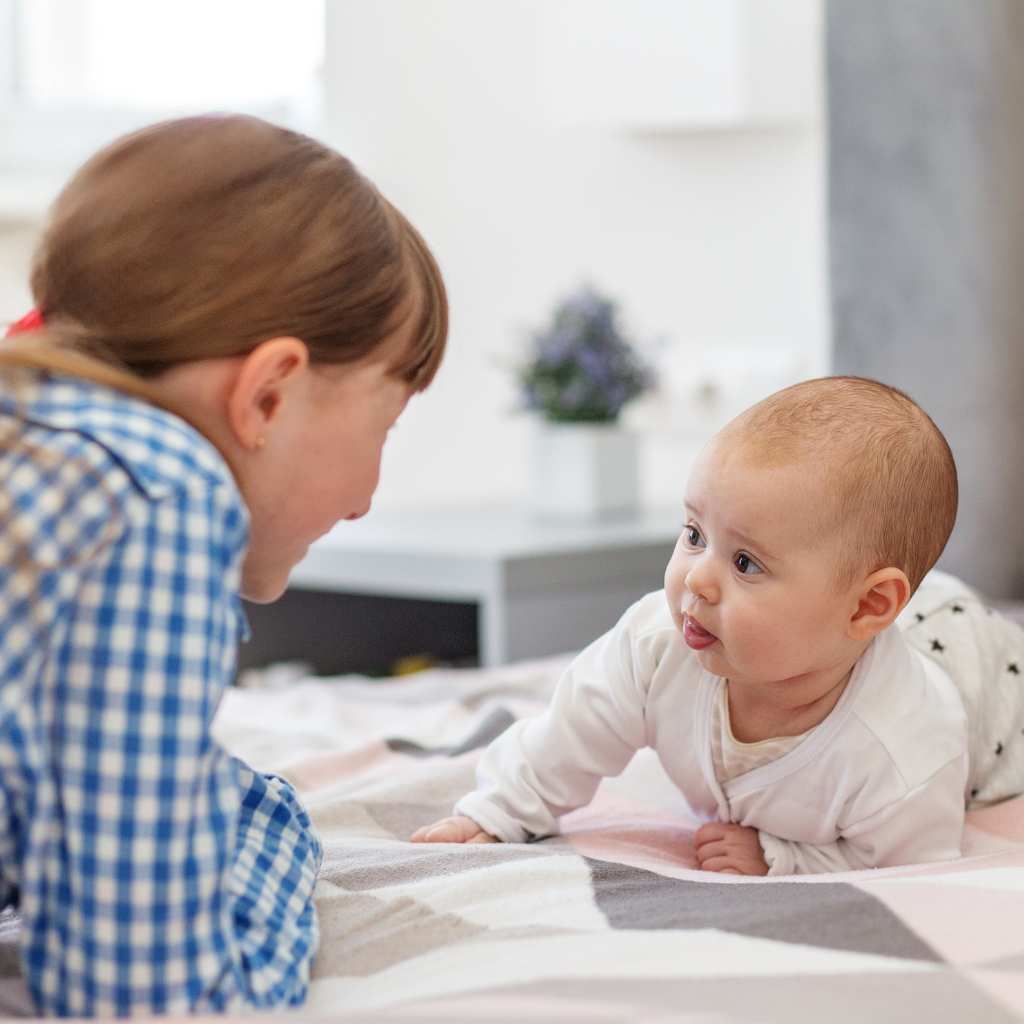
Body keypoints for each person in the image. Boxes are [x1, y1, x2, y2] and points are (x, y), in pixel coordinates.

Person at [0, 114, 447, 1015]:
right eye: (383, 426)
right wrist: (270, 834)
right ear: (267, 393)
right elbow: (148, 997)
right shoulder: (154, 496)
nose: (366, 498)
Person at [413, 377, 1024, 874]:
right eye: (693, 534)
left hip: (974, 662)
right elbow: (566, 738)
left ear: (866, 607)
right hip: (883, 619)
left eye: (745, 562)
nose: (697, 581)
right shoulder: (657, 644)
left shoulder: (906, 746)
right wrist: (495, 813)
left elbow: (911, 866)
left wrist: (785, 857)